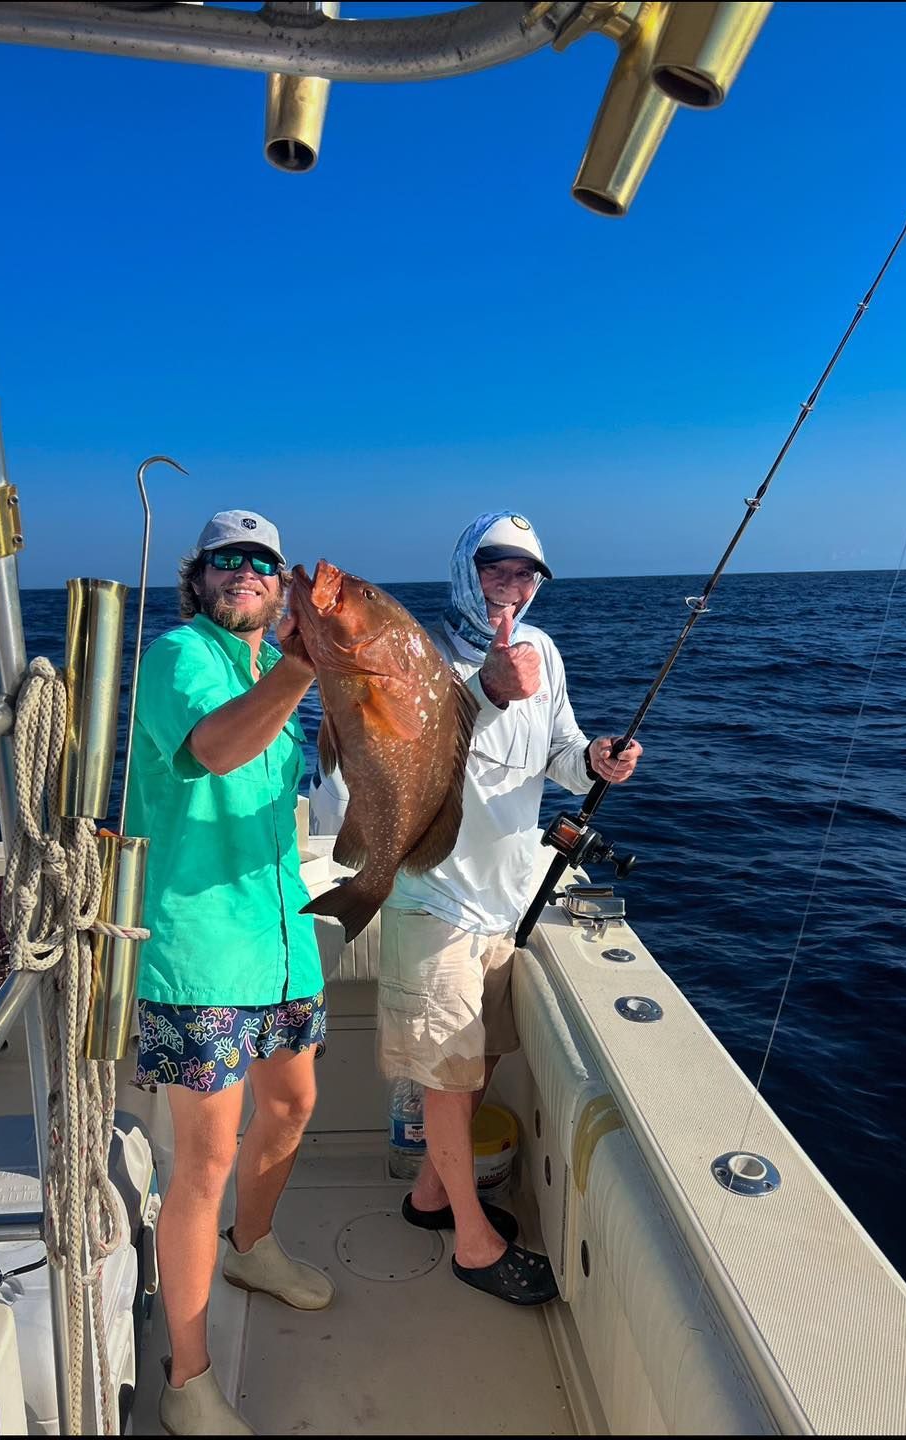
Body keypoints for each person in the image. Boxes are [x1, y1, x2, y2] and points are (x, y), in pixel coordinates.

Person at [378, 510, 642, 1306]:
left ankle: (430, 1196)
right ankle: (471, 1242)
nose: (514, 586)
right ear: (466, 566)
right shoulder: (415, 657)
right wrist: (489, 691)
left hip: (505, 899)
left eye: (528, 574)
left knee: (482, 1057)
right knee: (449, 1077)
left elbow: (558, 750)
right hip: (432, 900)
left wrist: (594, 758)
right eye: (498, 568)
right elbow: (409, 757)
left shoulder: (545, 653)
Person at [125, 509, 330, 1437]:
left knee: (292, 1108)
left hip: (283, 941)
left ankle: (254, 1248)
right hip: (199, 954)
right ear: (198, 578)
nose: (244, 570)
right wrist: (302, 669)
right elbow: (213, 751)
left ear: (281, 584)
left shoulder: (274, 677)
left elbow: (300, 780)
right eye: (225, 560)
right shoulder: (179, 658)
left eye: (262, 560)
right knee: (203, 1162)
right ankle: (188, 1379)